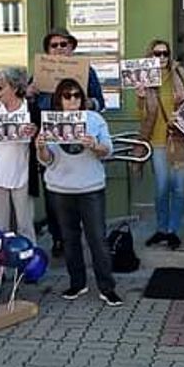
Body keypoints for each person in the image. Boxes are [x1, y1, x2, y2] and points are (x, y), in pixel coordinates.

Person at [35, 79, 120, 306]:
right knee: (69, 239)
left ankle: (107, 287)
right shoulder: (52, 122)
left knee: (97, 239)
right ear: (59, 100)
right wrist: (41, 147)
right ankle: (77, 283)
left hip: (90, 187)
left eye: (76, 96)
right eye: (67, 96)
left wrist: (94, 145)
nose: (72, 100)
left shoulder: (94, 120)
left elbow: (108, 150)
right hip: (60, 188)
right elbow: (48, 161)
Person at [29, 27, 106, 257]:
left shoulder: (86, 71)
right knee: (53, 193)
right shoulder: (40, 73)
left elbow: (100, 102)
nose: (60, 48)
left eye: (64, 44)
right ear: (48, 50)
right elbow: (30, 110)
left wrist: (82, 104)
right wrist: (29, 95)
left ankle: (81, 237)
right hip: (52, 142)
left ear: (72, 47)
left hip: (81, 141)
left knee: (83, 197)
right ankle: (59, 238)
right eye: (55, 45)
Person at [137, 39, 184, 250]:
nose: (161, 58)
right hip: (158, 141)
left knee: (179, 189)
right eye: (157, 53)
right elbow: (141, 116)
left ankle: (172, 230)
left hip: (180, 140)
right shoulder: (145, 79)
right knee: (162, 188)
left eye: (165, 53)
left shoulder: (179, 73)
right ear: (150, 55)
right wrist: (142, 98)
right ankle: (162, 228)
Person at [0, 66, 39, 242]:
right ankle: (1, 264)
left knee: (25, 224)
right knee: (0, 225)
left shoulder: (30, 109)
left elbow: (42, 137)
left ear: (14, 88)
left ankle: (29, 261)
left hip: (21, 171)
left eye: (1, 87)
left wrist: (35, 131)